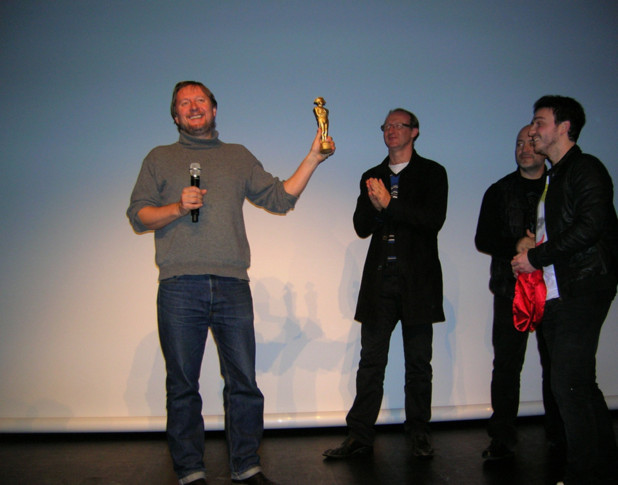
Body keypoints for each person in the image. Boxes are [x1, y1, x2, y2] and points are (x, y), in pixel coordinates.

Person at [127, 81, 334, 485]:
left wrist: (313, 157)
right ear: (175, 116)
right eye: (184, 103)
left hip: (232, 284)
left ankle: (246, 466)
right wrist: (177, 207)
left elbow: (279, 198)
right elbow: (139, 216)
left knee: (243, 382)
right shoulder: (159, 158)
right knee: (182, 385)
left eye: (200, 100)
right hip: (179, 285)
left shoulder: (237, 156)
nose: (193, 107)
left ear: (214, 109)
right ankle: (190, 471)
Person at [323, 108, 448, 460]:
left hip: (418, 283)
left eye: (399, 125)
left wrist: (389, 204)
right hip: (380, 282)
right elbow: (361, 226)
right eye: (386, 126)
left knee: (419, 364)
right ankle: (359, 435)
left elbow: (432, 221)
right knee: (371, 363)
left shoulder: (432, 173)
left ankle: (419, 434)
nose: (391, 130)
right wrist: (376, 205)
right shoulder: (372, 176)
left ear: (414, 131)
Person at [512, 95, 618, 484]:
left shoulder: (586, 168)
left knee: (567, 382)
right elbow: (563, 230)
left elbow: (591, 225)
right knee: (579, 382)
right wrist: (532, 244)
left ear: (564, 127)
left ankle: (583, 474)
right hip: (560, 292)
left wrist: (536, 257)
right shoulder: (555, 177)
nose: (532, 130)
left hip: (584, 286)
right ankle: (603, 467)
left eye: (539, 122)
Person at [475, 125, 563, 461]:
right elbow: (483, 239)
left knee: (556, 366)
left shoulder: (559, 188)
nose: (524, 148)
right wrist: (517, 244)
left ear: (543, 146)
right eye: (518, 143)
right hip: (509, 291)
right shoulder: (499, 191)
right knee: (507, 366)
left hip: (554, 292)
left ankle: (559, 436)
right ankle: (502, 439)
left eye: (530, 142)